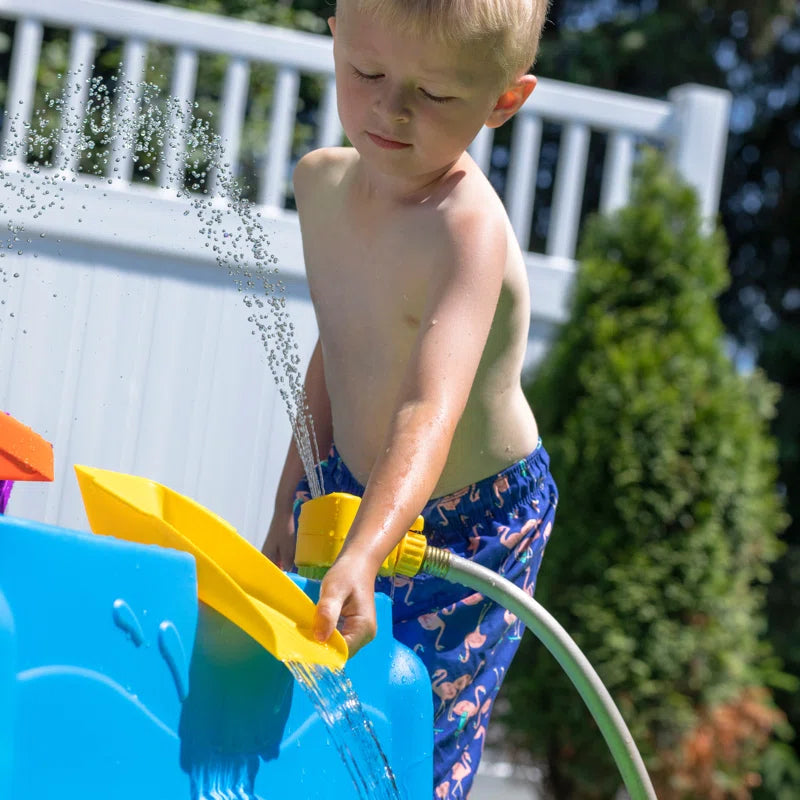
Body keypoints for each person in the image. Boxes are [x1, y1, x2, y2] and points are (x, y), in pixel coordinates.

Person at [262, 1, 557, 796]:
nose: (392, 109)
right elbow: (340, 348)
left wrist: (364, 550)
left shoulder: (467, 231)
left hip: (476, 522)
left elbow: (430, 407)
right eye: (368, 73)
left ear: (503, 102)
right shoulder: (320, 185)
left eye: (434, 94)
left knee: (410, 736)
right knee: (300, 700)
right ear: (335, 38)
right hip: (355, 486)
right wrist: (287, 506)